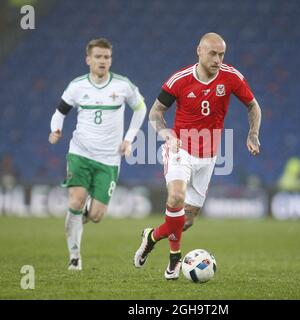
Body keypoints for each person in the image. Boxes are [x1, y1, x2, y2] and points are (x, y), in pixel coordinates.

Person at [134, 32, 262, 279]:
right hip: (180, 148)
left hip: (210, 155)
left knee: (187, 220)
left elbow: (253, 105)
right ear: (199, 51)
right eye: (213, 53)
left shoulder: (231, 77)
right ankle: (174, 262)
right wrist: (166, 134)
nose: (218, 59)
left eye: (222, 54)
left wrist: (253, 134)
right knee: (176, 198)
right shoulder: (180, 80)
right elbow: (155, 113)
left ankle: (151, 236)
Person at [49, 38, 146, 270]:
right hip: (80, 153)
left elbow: (140, 108)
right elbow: (59, 113)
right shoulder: (77, 86)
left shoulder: (122, 85)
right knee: (76, 199)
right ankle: (74, 257)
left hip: (109, 159)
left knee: (96, 215)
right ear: (88, 60)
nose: (103, 61)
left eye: (107, 57)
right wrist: (56, 129)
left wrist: (128, 138)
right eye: (98, 57)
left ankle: (77, 216)